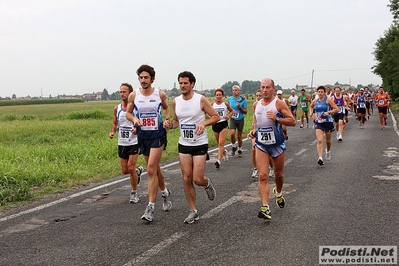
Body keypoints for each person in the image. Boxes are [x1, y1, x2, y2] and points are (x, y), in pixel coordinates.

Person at [164, 71, 219, 224]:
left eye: (185, 83)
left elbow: (215, 116)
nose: (182, 85)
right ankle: (193, 210)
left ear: (192, 84)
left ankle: (206, 183)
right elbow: (176, 121)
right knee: (186, 177)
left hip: (200, 143)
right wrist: (169, 125)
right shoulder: (175, 101)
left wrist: (203, 124)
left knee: (197, 178)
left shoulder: (200, 100)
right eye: (180, 83)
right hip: (184, 143)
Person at [126, 64, 172, 222]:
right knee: (155, 169)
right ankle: (165, 192)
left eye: (146, 77)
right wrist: (135, 120)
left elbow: (166, 109)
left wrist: (167, 120)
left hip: (157, 135)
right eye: (141, 77)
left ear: (152, 79)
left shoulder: (160, 94)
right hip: (143, 136)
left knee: (150, 169)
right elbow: (128, 113)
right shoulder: (134, 95)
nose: (143, 80)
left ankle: (150, 208)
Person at [248, 78, 296, 221]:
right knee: (262, 176)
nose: (265, 90)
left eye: (268, 87)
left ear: (273, 89)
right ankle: (265, 207)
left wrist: (277, 119)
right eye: (262, 87)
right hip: (261, 145)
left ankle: (279, 192)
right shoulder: (256, 105)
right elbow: (257, 123)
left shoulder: (279, 103)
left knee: (278, 175)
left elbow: (292, 121)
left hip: (277, 144)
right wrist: (254, 132)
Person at [109, 83, 143, 204]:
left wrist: (137, 129)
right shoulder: (116, 108)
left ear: (130, 94)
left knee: (130, 167)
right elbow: (115, 123)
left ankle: (134, 193)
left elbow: (141, 121)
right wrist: (112, 132)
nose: (122, 94)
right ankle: (138, 172)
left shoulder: (135, 108)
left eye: (124, 92)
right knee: (125, 170)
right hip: (122, 142)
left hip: (134, 142)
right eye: (121, 92)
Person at [310, 86, 339, 166]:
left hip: (328, 122)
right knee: (319, 140)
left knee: (328, 141)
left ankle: (328, 151)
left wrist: (328, 112)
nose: (320, 93)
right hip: (319, 123)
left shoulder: (328, 100)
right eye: (319, 92)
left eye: (322, 92)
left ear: (324, 93)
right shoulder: (315, 101)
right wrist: (311, 113)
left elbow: (337, 109)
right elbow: (311, 106)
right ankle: (320, 158)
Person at [211, 88, 233, 168]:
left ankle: (218, 161)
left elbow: (232, 111)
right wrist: (211, 117)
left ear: (222, 96)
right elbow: (207, 112)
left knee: (221, 143)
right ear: (215, 96)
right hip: (215, 124)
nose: (218, 96)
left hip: (223, 124)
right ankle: (224, 152)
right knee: (219, 144)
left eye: (220, 95)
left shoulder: (225, 104)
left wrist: (228, 116)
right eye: (217, 95)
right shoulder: (212, 104)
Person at [228, 85, 248, 157]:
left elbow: (245, 112)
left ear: (239, 91)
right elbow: (228, 108)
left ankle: (239, 149)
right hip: (233, 119)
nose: (234, 91)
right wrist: (229, 112)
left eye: (236, 90)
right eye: (233, 90)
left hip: (240, 119)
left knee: (239, 136)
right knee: (232, 133)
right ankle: (234, 146)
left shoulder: (243, 100)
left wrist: (240, 107)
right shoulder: (230, 99)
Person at [251, 90, 263, 180]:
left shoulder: (268, 104)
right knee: (254, 149)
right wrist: (254, 128)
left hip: (266, 130)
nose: (258, 97)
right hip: (257, 129)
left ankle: (270, 167)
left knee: (267, 151)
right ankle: (255, 168)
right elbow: (254, 117)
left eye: (260, 95)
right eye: (257, 95)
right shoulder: (255, 104)